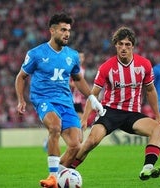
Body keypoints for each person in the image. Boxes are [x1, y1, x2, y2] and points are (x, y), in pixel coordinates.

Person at [15, 13, 104, 188]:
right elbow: (21, 77)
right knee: (55, 127)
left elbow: (78, 79)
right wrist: (21, 100)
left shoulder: (72, 55)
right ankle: (53, 177)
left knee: (75, 146)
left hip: (65, 102)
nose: (67, 34)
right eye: (63, 30)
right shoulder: (36, 53)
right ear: (52, 30)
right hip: (43, 99)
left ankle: (58, 175)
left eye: (69, 30)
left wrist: (93, 99)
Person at [70, 26, 160, 181]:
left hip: (132, 115)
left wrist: (158, 117)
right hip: (109, 112)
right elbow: (93, 94)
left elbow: (150, 91)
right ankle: (68, 169)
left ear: (132, 46)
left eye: (127, 45)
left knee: (158, 129)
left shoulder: (144, 65)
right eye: (120, 44)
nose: (124, 48)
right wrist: (84, 118)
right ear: (115, 45)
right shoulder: (106, 67)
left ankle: (147, 169)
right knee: (91, 142)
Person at [70, 52, 86, 119]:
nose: (80, 59)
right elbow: (68, 82)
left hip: (78, 97)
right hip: (71, 96)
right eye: (79, 57)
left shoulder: (83, 69)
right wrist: (75, 85)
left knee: (79, 116)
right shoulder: (72, 68)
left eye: (82, 57)